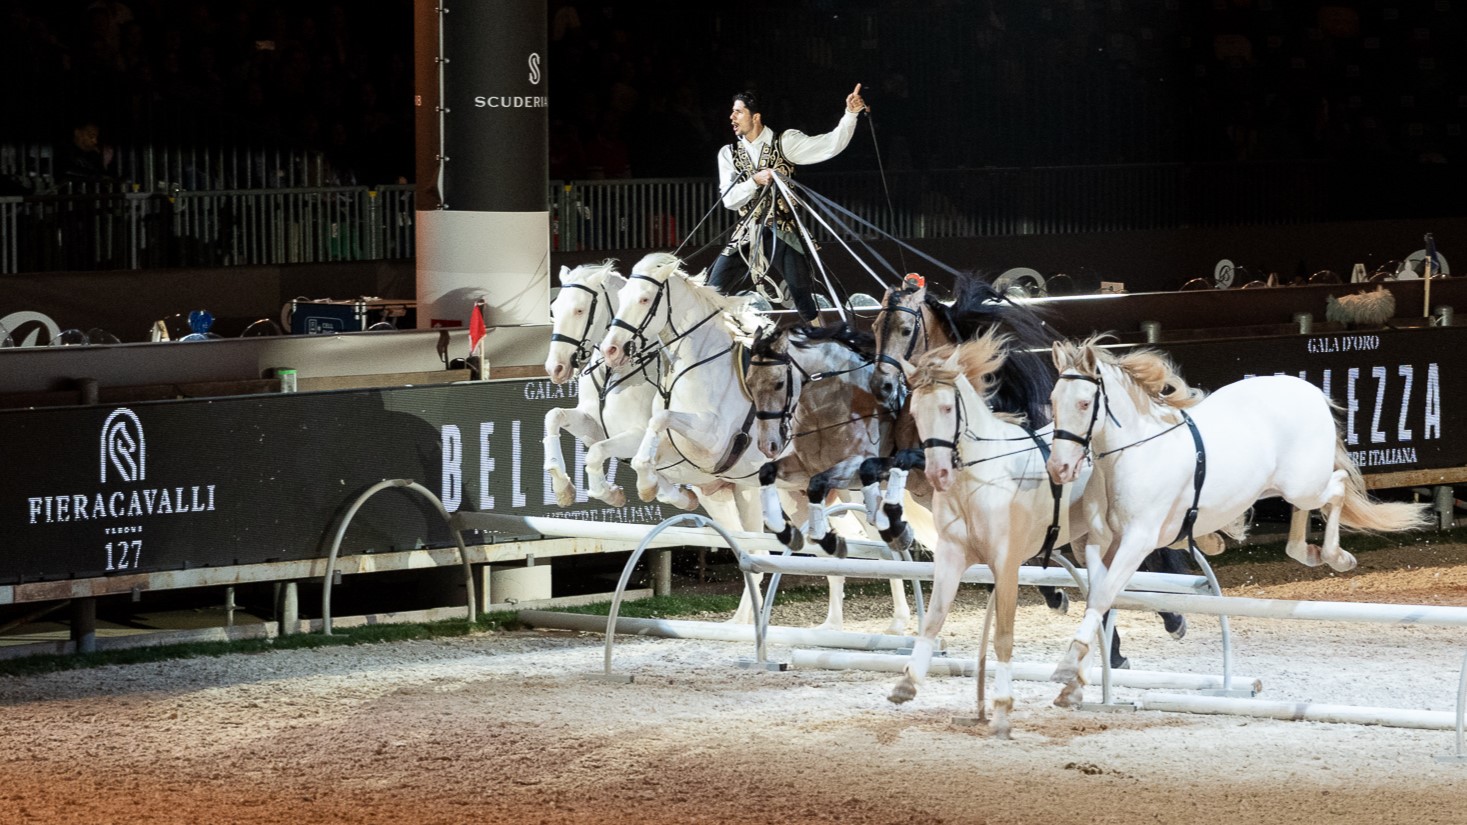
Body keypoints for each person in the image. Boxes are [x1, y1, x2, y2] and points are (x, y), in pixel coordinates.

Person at [708, 84, 866, 321]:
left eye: (738, 112)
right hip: (748, 232)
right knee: (713, 289)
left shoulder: (785, 142)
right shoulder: (728, 154)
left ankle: (818, 341)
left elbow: (830, 145)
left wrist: (850, 115)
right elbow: (729, 200)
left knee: (802, 294)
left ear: (756, 116)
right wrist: (754, 181)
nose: (732, 117)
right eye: (733, 112)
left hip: (782, 230)